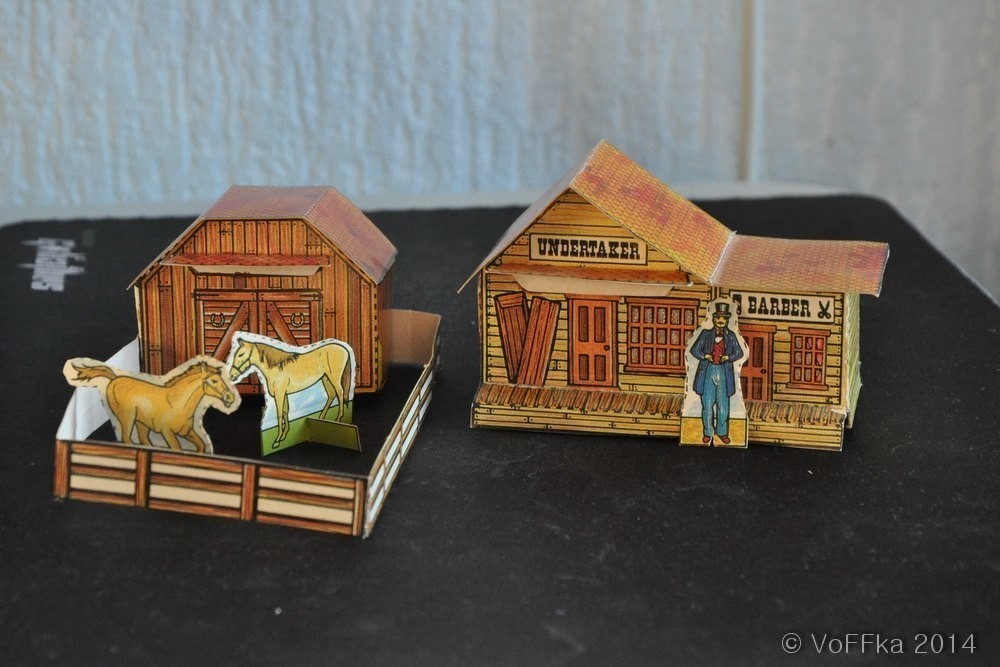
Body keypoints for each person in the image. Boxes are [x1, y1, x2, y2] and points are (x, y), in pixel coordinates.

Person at [690, 302, 744, 444]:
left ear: (727, 320)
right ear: (713, 319)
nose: (721, 321)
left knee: (723, 406)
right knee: (707, 405)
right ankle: (708, 432)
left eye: (724, 319)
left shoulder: (731, 336)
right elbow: (694, 350)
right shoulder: (705, 334)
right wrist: (704, 356)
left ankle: (722, 432)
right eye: (718, 318)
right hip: (707, 370)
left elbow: (739, 352)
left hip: (724, 372)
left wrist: (728, 357)